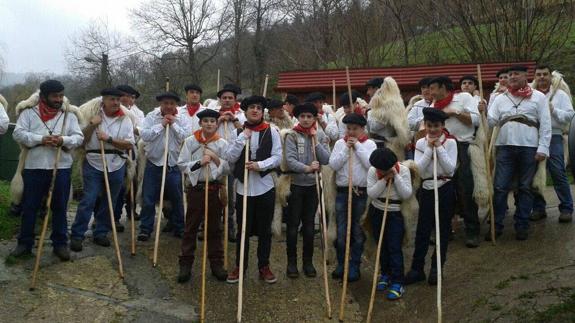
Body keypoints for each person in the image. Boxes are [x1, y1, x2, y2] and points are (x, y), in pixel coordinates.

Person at [10, 80, 83, 260]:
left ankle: (60, 244)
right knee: (30, 206)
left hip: (61, 167)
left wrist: (62, 140)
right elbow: (17, 133)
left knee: (59, 207)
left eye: (61, 96)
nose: (59, 99)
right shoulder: (29, 113)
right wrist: (41, 139)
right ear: (43, 96)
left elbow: (78, 137)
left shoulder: (69, 116)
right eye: (55, 96)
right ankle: (24, 244)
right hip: (34, 167)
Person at [486, 65, 552, 241]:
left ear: (525, 76)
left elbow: (546, 123)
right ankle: (496, 225)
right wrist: (483, 109)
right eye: (509, 74)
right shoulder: (500, 98)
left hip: (529, 147)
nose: (512, 77)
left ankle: (522, 225)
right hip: (504, 146)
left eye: (516, 74)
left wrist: (543, 147)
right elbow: (491, 121)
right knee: (500, 187)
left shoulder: (538, 97)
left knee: (525, 187)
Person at [225, 95, 282, 284]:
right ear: (245, 111)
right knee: (243, 230)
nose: (255, 110)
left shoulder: (271, 131)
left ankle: (263, 266)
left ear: (262, 111)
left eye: (258, 107)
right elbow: (230, 157)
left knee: (265, 230)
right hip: (243, 188)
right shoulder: (238, 132)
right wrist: (242, 138)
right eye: (251, 107)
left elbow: (277, 157)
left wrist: (260, 165)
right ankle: (240, 265)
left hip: (265, 187)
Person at [70, 88, 135, 251]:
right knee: (88, 200)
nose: (115, 103)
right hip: (93, 162)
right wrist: (92, 125)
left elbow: (129, 144)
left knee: (110, 201)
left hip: (117, 164)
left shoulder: (125, 119)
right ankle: (77, 234)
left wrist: (109, 139)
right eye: (112, 99)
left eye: (118, 100)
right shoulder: (91, 116)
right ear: (103, 101)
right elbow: (81, 141)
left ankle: (100, 232)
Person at [429, 76, 487, 248]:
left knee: (465, 188)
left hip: (462, 146)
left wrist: (453, 112)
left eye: (433, 88)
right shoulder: (433, 106)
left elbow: (475, 120)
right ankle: (445, 231)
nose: (430, 92)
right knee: (444, 189)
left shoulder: (463, 98)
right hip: (442, 147)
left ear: (443, 87)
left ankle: (472, 230)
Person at [405, 108, 457, 285]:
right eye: (429, 126)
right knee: (422, 230)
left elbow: (450, 168)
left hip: (444, 187)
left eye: (436, 126)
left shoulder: (450, 143)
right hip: (427, 188)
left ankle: (437, 268)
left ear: (443, 125)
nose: (433, 130)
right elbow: (418, 168)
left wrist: (439, 148)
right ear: (425, 126)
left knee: (442, 230)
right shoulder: (420, 143)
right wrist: (429, 149)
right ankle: (417, 268)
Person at [177, 109, 230, 283]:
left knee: (214, 228)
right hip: (196, 189)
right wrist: (199, 162)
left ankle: (216, 264)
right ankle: (185, 264)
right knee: (190, 227)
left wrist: (214, 158)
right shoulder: (191, 141)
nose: (209, 124)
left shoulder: (221, 143)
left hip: (214, 189)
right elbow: (182, 164)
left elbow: (228, 167)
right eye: (205, 121)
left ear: (217, 124)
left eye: (212, 121)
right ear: (200, 123)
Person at [284, 102, 330, 278]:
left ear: (314, 118)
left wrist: (316, 141)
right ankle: (291, 263)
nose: (305, 119)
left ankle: (308, 262)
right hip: (295, 186)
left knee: (310, 227)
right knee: (293, 226)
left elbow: (326, 159)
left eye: (309, 116)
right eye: (302, 116)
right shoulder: (291, 135)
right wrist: (307, 168)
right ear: (297, 117)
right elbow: (290, 160)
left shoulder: (318, 134)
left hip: (313, 187)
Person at [329, 113, 376, 282]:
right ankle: (341, 264)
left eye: (355, 129)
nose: (351, 132)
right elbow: (333, 164)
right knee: (341, 232)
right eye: (348, 128)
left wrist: (358, 147)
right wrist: (346, 150)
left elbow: (371, 165)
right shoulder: (340, 144)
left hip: (361, 193)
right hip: (342, 192)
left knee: (357, 231)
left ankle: (354, 265)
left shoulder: (370, 144)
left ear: (362, 129)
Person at [138, 91, 190, 240]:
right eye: (165, 103)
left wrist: (173, 124)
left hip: (173, 165)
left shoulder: (182, 119)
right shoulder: (151, 117)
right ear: (160, 103)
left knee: (177, 198)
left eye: (172, 103)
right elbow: (145, 135)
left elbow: (186, 137)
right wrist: (161, 125)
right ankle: (145, 229)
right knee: (148, 199)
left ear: (176, 105)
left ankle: (179, 227)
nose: (168, 106)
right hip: (153, 164)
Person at [529, 65, 574, 223]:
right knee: (535, 173)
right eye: (538, 74)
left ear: (550, 77)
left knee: (557, 172)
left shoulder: (560, 95)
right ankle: (539, 208)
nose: (542, 77)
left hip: (554, 136)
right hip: (534, 136)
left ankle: (567, 208)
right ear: (534, 77)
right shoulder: (531, 95)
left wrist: (553, 110)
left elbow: (569, 116)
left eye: (545, 74)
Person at [367, 148, 412, 300]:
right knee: (382, 245)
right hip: (377, 210)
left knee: (394, 246)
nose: (380, 171)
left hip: (395, 213)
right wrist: (384, 180)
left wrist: (396, 177)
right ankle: (385, 274)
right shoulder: (373, 170)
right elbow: (372, 193)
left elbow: (406, 194)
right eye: (379, 169)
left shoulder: (404, 170)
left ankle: (398, 281)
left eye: (383, 170)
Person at [217, 83, 246, 242]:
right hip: (216, 162)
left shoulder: (242, 115)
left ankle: (230, 227)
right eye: (224, 98)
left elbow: (245, 134)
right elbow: (205, 134)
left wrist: (235, 121)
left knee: (231, 198)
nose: (227, 101)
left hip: (234, 163)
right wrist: (219, 120)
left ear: (235, 100)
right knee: (215, 196)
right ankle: (213, 227)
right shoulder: (212, 115)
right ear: (220, 100)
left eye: (230, 98)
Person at [367, 77, 410, 160]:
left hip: (386, 147)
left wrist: (369, 112)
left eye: (369, 89)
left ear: (377, 89)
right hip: (380, 145)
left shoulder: (388, 106)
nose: (367, 92)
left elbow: (374, 127)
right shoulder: (392, 103)